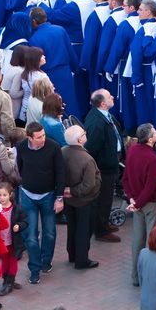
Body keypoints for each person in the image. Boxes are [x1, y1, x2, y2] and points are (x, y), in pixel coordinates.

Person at [15, 121, 65, 285]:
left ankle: (46, 261)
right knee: (30, 236)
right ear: (29, 137)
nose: (43, 139)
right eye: (38, 137)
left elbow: (60, 173)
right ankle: (34, 270)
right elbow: (20, 167)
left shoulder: (53, 147)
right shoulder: (22, 146)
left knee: (49, 233)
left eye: (43, 135)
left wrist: (59, 198)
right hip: (28, 196)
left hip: (48, 195)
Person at [124, 124, 156, 287]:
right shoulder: (152, 157)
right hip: (151, 204)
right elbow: (151, 186)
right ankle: (149, 278)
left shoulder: (132, 151)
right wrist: (137, 203)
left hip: (137, 203)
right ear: (150, 139)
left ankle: (136, 276)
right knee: (153, 241)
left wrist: (132, 200)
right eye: (155, 133)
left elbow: (126, 179)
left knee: (138, 240)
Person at [82, 90, 123, 244]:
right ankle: (101, 230)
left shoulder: (105, 115)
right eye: (109, 96)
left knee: (107, 197)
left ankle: (104, 223)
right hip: (103, 168)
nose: (113, 96)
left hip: (110, 163)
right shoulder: (96, 122)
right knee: (103, 199)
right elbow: (91, 148)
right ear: (103, 103)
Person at [60, 124, 100, 270]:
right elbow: (89, 185)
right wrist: (73, 191)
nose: (85, 134)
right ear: (80, 139)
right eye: (83, 133)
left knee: (72, 227)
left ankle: (72, 255)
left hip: (69, 201)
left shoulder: (62, 152)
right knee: (84, 230)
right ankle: (81, 260)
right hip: (84, 201)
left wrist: (66, 191)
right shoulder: (87, 159)